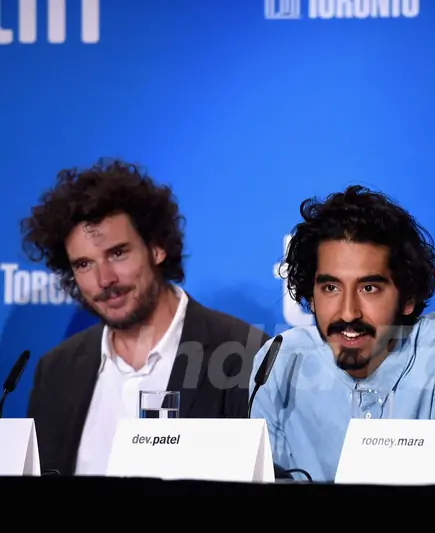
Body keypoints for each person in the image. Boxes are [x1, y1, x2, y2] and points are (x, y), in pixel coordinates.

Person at [21, 159, 270, 477]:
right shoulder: (56, 371)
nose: (104, 279)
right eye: (84, 264)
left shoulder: (244, 355)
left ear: (157, 248)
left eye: (117, 253)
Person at [249, 185, 435, 482]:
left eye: (369, 288)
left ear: (408, 297)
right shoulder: (280, 362)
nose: (348, 313)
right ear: (311, 296)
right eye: (331, 288)